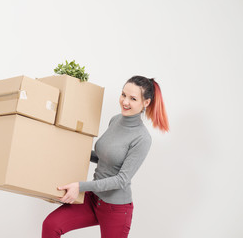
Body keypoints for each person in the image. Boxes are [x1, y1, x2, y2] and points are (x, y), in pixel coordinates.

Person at [41, 76, 169, 238]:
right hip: (94, 199)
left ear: (146, 103)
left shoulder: (142, 138)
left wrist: (80, 186)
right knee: (51, 225)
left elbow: (121, 179)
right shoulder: (115, 120)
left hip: (116, 209)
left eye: (133, 98)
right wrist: (71, 150)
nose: (125, 102)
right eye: (123, 95)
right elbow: (104, 158)